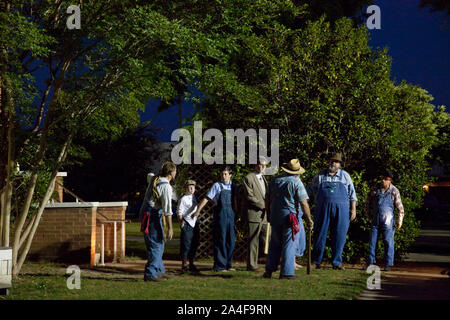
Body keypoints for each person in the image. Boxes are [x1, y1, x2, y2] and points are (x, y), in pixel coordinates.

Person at [263, 159, 313, 280]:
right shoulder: (296, 183)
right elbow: (304, 203)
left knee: (274, 243)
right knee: (289, 244)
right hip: (289, 216)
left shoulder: (275, 180)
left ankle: (269, 270)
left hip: (275, 214)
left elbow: (267, 199)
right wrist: (309, 219)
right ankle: (286, 272)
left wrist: (269, 213)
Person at [307, 153, 357, 270]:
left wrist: (353, 209)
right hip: (322, 209)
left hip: (342, 210)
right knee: (319, 234)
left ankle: (337, 262)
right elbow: (309, 190)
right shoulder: (320, 176)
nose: (332, 163)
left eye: (335, 161)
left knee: (340, 235)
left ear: (339, 164)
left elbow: (352, 194)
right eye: (331, 161)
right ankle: (316, 261)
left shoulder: (345, 176)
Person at [193, 166, 238, 272]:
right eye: (222, 174)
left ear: (230, 175)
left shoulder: (233, 186)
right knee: (220, 239)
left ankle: (228, 264)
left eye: (225, 174)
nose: (223, 176)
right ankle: (220, 265)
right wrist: (198, 210)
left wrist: (236, 213)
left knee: (231, 240)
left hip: (231, 215)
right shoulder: (217, 186)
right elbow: (207, 198)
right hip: (221, 216)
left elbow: (235, 201)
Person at [139, 161, 176, 281]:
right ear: (171, 173)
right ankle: (150, 273)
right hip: (152, 215)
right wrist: (170, 228)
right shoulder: (165, 186)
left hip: (147, 213)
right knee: (155, 244)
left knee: (159, 243)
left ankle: (159, 271)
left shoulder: (156, 179)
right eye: (175, 171)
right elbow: (167, 210)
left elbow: (150, 176)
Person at [367, 169, 404, 271]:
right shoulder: (375, 188)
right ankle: (371, 262)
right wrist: (368, 214)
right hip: (375, 220)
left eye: (385, 179)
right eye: (382, 178)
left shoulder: (394, 191)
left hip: (388, 221)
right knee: (372, 241)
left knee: (388, 242)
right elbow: (368, 202)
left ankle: (388, 264)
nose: (383, 181)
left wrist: (399, 221)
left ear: (390, 180)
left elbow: (400, 208)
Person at [243, 156, 269, 271]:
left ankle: (271, 263)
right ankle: (252, 265)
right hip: (253, 214)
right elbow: (249, 197)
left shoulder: (264, 179)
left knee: (268, 239)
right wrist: (263, 205)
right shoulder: (249, 178)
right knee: (253, 241)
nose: (262, 167)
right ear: (256, 164)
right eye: (260, 164)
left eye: (264, 165)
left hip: (265, 216)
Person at [177, 179, 200, 273]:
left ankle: (191, 263)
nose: (191, 188)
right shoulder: (183, 199)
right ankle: (184, 263)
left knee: (194, 244)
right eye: (189, 186)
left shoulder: (195, 198)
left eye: (193, 187)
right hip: (187, 223)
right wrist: (181, 222)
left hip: (195, 223)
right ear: (186, 188)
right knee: (186, 244)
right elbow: (179, 212)